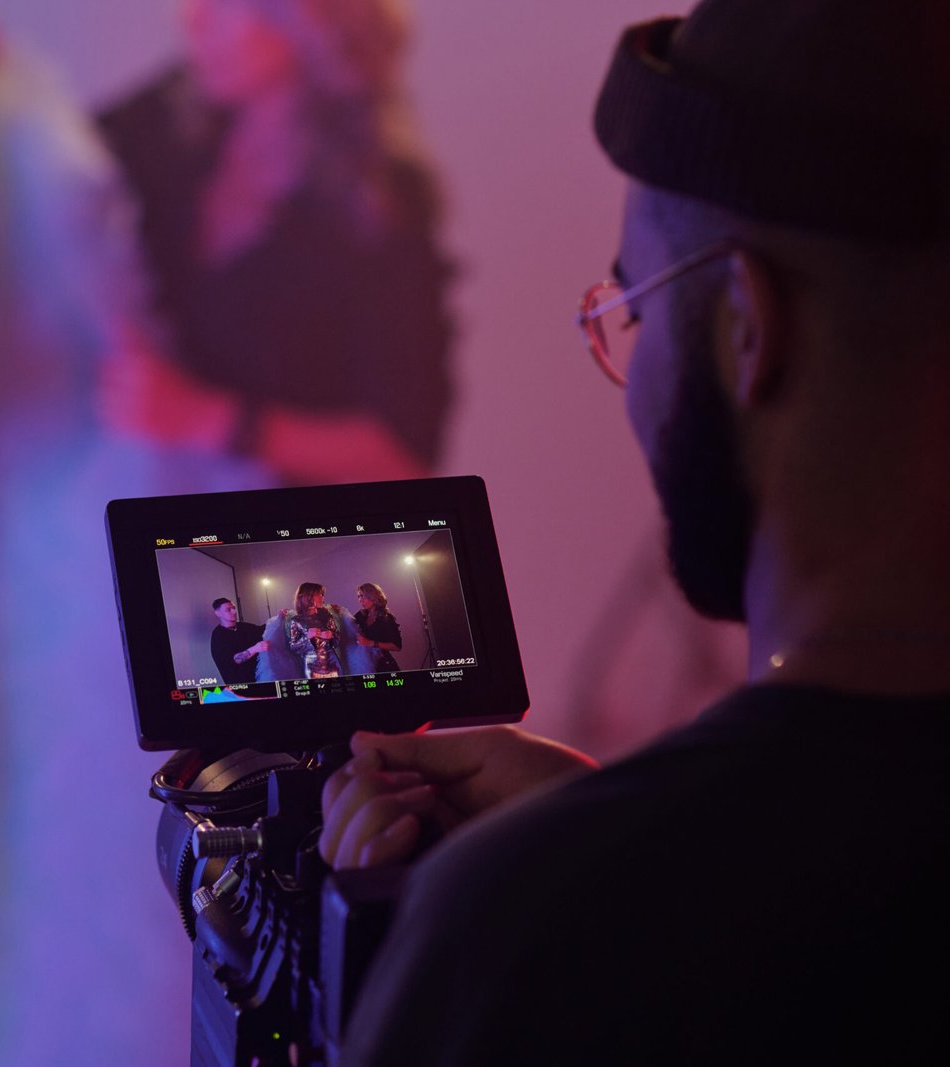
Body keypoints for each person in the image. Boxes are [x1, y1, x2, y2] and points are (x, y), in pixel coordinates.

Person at [320, 1, 950, 1062]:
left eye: (634, 311)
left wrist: (583, 867)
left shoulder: (522, 937)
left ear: (751, 328)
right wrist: (620, 823)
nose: (626, 369)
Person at [95, 0, 453, 487]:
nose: (193, 17)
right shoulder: (173, 121)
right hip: (161, 495)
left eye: (226, 6)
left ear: (311, 22)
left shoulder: (380, 205)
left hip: (283, 536)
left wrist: (203, 419)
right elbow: (55, 154)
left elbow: (401, 451)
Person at [286, 582, 343, 678]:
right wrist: (307, 637)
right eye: (320, 594)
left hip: (333, 663)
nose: (323, 598)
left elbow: (337, 641)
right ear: (309, 596)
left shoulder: (326, 615)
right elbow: (294, 647)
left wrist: (332, 636)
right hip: (312, 665)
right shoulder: (296, 620)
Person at [209, 596, 269, 685]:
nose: (234, 612)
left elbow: (264, 629)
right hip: (240, 688)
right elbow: (234, 660)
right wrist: (255, 649)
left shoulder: (243, 627)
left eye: (234, 608)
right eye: (228, 609)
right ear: (218, 613)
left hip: (260, 681)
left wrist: (279, 618)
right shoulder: (218, 636)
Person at [351, 581, 401, 672]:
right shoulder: (361, 615)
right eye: (358, 596)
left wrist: (371, 643)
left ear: (372, 597)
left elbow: (397, 646)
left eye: (362, 596)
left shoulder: (387, 618)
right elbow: (347, 626)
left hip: (384, 666)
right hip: (365, 665)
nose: (360, 600)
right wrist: (338, 612)